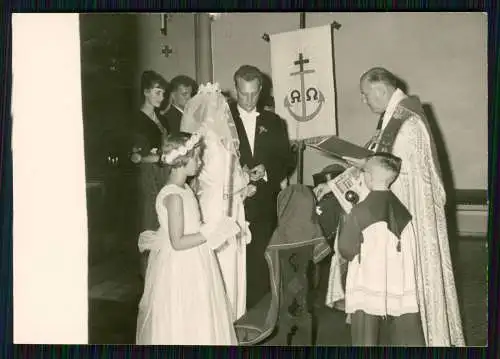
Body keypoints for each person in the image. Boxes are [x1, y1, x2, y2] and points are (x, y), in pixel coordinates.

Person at [317, 67, 465, 346]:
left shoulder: (407, 125)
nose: (363, 100)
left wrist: (362, 168)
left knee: (405, 296)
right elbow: (376, 161)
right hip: (389, 220)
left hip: (405, 221)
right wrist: (335, 183)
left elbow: (388, 172)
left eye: (365, 94)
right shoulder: (392, 118)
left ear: (381, 90)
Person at [135, 132, 239, 345]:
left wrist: (216, 229)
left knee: (201, 315)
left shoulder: (186, 189)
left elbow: (193, 226)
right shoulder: (173, 196)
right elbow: (178, 241)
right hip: (181, 266)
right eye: (197, 157)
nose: (200, 162)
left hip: (197, 260)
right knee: (183, 316)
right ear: (182, 160)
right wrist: (208, 232)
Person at [180, 82, 255, 321]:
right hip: (224, 205)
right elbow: (227, 176)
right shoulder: (217, 140)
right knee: (226, 260)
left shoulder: (199, 138)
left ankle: (214, 317)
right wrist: (247, 182)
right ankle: (228, 317)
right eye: (221, 106)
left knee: (214, 260)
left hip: (207, 203)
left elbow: (208, 175)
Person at [337, 153, 424, 346]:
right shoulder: (402, 209)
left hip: (368, 279)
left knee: (364, 331)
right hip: (398, 278)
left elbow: (347, 249)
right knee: (405, 327)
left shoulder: (360, 211)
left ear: (367, 177)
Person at [228, 65, 295, 308]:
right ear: (235, 89)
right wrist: (237, 174)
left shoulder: (274, 121)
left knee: (260, 265)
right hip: (230, 205)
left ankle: (258, 320)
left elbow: (286, 160)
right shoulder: (222, 119)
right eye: (243, 94)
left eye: (254, 94)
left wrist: (267, 170)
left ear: (261, 91)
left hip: (264, 206)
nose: (248, 100)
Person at [130, 70, 170, 278]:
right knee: (150, 224)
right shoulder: (136, 119)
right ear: (146, 92)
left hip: (163, 175)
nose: (161, 98)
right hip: (148, 177)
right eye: (157, 93)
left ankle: (161, 277)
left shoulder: (161, 119)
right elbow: (135, 157)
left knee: (163, 223)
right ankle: (148, 279)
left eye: (163, 94)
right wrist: (161, 157)